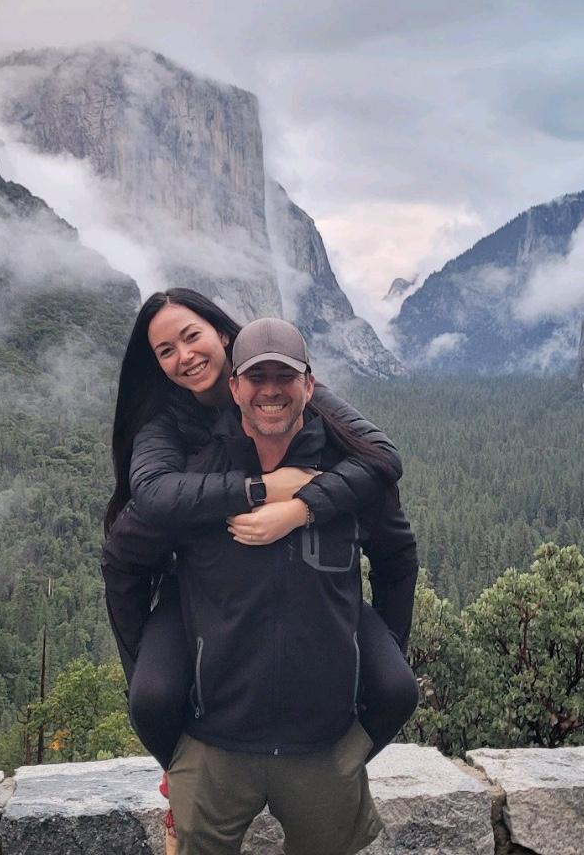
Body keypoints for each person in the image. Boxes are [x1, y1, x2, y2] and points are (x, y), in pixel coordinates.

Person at [100, 291, 418, 843]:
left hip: (319, 675)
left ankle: (334, 768)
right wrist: (261, 489)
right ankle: (181, 779)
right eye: (165, 350)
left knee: (395, 687)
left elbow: (384, 470)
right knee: (151, 696)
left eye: (191, 335)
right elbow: (144, 517)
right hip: (201, 605)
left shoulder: (329, 437)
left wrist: (304, 507)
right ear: (235, 388)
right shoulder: (174, 438)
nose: (183, 355)